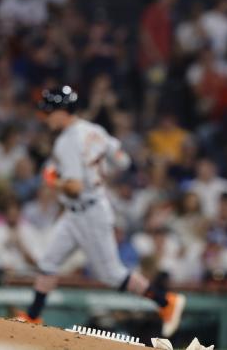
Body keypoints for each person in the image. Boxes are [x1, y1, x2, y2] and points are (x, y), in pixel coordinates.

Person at [15, 86, 186, 338]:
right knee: (49, 262)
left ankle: (165, 301)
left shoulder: (66, 142)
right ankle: (33, 316)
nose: (46, 117)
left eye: (50, 111)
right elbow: (123, 160)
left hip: (88, 212)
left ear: (63, 111)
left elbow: (75, 187)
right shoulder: (94, 131)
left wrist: (53, 181)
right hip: (79, 212)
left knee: (112, 274)